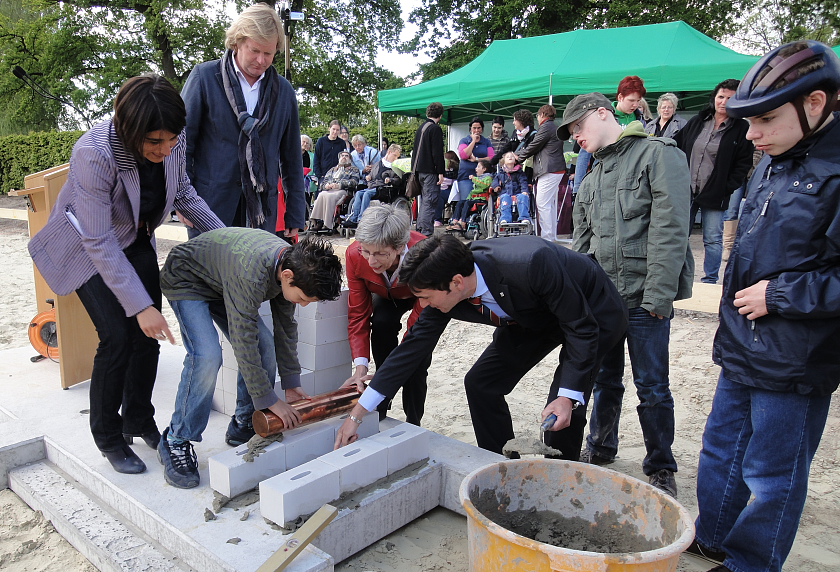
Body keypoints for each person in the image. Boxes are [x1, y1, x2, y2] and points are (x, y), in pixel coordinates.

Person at [688, 40, 840, 572]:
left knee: (772, 475)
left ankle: (750, 563)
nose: (749, 135)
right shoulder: (773, 158)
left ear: (815, 104)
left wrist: (780, 295)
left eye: (763, 121)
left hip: (796, 353)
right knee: (721, 451)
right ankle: (710, 539)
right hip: (741, 343)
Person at [27, 75, 225, 474]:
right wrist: (140, 306)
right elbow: (98, 240)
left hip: (135, 239)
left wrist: (226, 239)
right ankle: (108, 436)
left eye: (171, 140)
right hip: (85, 246)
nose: (165, 148)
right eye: (155, 142)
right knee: (118, 337)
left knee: (147, 339)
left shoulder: (172, 135)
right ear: (130, 129)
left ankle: (137, 417)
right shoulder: (94, 153)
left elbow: (183, 192)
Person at [335, 234, 628, 459]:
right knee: (480, 383)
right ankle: (501, 462)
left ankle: (558, 476)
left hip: (591, 313)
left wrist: (567, 396)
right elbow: (410, 350)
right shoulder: (442, 285)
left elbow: (581, 327)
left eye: (424, 297)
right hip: (527, 319)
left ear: (457, 283)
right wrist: (356, 415)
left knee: (565, 403)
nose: (422, 306)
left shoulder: (531, 263)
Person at [559, 92, 693, 498]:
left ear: (604, 113)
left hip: (643, 298)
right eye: (569, 133)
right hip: (604, 302)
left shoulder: (658, 154)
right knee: (605, 380)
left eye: (579, 127)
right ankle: (600, 447)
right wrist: (576, 303)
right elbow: (580, 251)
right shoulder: (590, 177)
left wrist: (658, 297)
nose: (575, 138)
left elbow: (670, 230)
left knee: (652, 386)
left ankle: (660, 466)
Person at [157, 230, 342, 488]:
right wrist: (269, 400)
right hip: (187, 279)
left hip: (223, 283)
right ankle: (175, 439)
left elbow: (286, 328)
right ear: (287, 277)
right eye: (302, 299)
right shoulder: (252, 274)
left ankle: (243, 422)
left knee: (265, 344)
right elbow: (244, 341)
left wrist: (290, 382)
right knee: (207, 355)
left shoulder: (292, 265)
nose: (303, 305)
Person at [181, 3, 304, 239]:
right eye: (254, 50)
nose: (261, 60)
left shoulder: (285, 92)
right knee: (209, 276)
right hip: (207, 207)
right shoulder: (204, 78)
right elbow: (181, 145)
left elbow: (291, 159)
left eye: (268, 53)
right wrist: (181, 199)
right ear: (237, 42)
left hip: (261, 212)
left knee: (255, 276)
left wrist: (295, 213)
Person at [345, 204, 430, 424]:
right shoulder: (355, 254)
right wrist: (360, 367)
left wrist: (405, 356)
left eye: (380, 254)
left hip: (421, 293)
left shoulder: (426, 254)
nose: (371, 261)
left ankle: (414, 420)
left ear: (400, 247)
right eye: (366, 251)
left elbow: (417, 327)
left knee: (417, 359)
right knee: (381, 324)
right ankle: (382, 403)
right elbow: (358, 314)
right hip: (384, 294)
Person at [674, 79, 754, 284]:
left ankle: (709, 279)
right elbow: (677, 144)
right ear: (714, 98)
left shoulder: (741, 128)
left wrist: (727, 186)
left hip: (716, 192)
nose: (724, 101)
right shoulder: (698, 121)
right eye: (721, 96)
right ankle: (678, 275)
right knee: (679, 234)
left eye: (730, 98)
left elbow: (744, 164)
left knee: (712, 238)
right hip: (686, 188)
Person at [574, 76, 648, 196]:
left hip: (631, 179)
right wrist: (578, 187)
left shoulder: (641, 120)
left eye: (638, 101)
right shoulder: (601, 116)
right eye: (631, 100)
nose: (635, 105)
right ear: (620, 97)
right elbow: (584, 154)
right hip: (605, 176)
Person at [515, 104, 564, 242]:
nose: (537, 118)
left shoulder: (546, 127)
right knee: (549, 204)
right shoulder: (553, 126)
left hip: (549, 169)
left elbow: (534, 145)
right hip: (555, 169)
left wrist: (518, 157)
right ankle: (551, 236)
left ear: (542, 114)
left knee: (542, 203)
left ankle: (547, 238)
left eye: (537, 115)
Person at [343, 144, 402, 228]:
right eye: (395, 155)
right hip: (374, 186)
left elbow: (398, 180)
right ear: (389, 152)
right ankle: (353, 218)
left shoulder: (395, 167)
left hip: (384, 188)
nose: (396, 158)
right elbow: (372, 175)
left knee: (367, 194)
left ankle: (361, 219)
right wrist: (369, 176)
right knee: (359, 193)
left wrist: (390, 180)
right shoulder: (378, 163)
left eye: (397, 156)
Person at [411, 102, 446, 236]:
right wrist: (441, 172)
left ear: (427, 113)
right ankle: (425, 233)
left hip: (419, 170)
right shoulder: (435, 129)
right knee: (429, 202)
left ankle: (420, 230)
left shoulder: (421, 128)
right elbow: (437, 153)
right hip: (430, 171)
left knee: (424, 202)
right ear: (441, 115)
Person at [309, 150, 359, 232]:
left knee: (330, 196)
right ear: (339, 158)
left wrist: (339, 185)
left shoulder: (353, 170)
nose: (344, 157)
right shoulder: (332, 169)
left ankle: (328, 223)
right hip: (330, 189)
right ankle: (319, 221)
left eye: (346, 156)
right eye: (342, 155)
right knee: (321, 194)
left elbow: (354, 182)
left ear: (350, 159)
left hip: (342, 190)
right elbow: (323, 182)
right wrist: (326, 185)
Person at [455, 117, 495, 214]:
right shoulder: (464, 140)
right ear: (470, 128)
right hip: (466, 175)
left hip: (482, 176)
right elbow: (464, 155)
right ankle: (463, 221)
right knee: (466, 201)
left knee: (477, 201)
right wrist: (473, 141)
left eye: (479, 128)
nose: (476, 130)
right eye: (474, 128)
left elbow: (492, 157)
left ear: (482, 129)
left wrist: (476, 159)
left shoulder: (486, 141)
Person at [493, 109, 537, 183]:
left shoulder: (534, 135)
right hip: (515, 168)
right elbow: (507, 148)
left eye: (515, 120)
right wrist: (493, 161)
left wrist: (516, 155)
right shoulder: (515, 133)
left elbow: (530, 152)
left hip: (528, 170)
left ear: (521, 121)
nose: (513, 123)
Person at [447, 159, 492, 231]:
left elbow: (484, 186)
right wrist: (468, 198)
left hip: (482, 199)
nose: (476, 168)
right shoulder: (478, 178)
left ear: (484, 169)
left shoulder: (488, 178)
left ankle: (463, 222)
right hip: (474, 199)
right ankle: (454, 220)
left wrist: (474, 179)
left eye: (478, 167)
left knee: (468, 203)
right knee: (460, 202)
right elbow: (472, 192)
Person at [492, 151, 531, 224]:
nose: (510, 157)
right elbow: (494, 180)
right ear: (503, 161)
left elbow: (523, 182)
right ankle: (505, 218)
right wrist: (496, 186)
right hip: (505, 193)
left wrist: (524, 191)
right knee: (505, 197)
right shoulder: (501, 173)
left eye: (512, 156)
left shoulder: (519, 173)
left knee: (523, 197)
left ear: (515, 160)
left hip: (517, 193)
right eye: (507, 157)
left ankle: (524, 218)